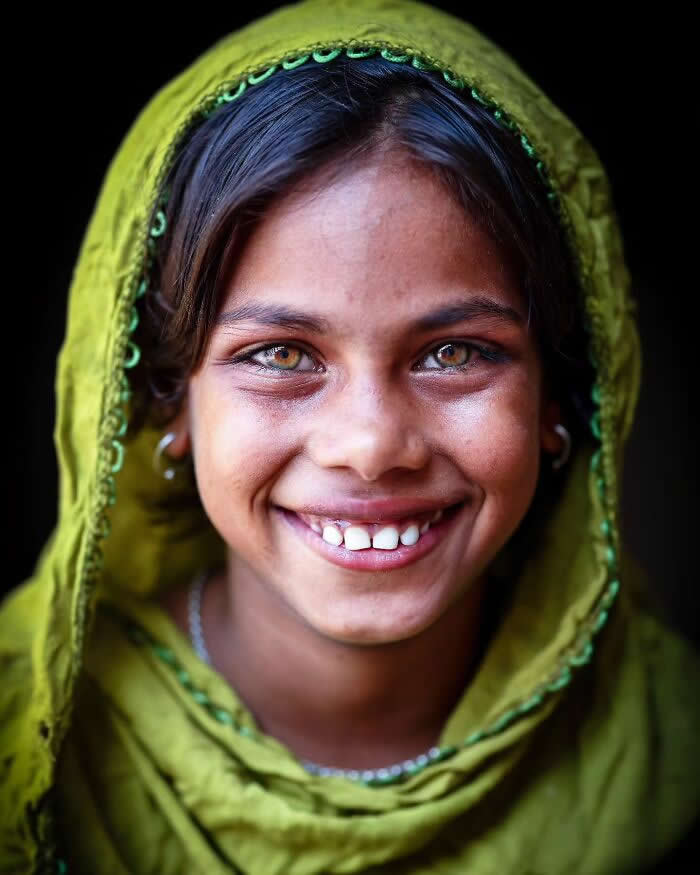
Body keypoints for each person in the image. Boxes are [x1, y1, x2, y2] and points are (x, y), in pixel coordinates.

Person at [2, 1, 698, 872]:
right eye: (282, 354)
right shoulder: (30, 747)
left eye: (455, 352)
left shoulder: (671, 747)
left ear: (563, 395)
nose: (370, 445)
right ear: (169, 402)